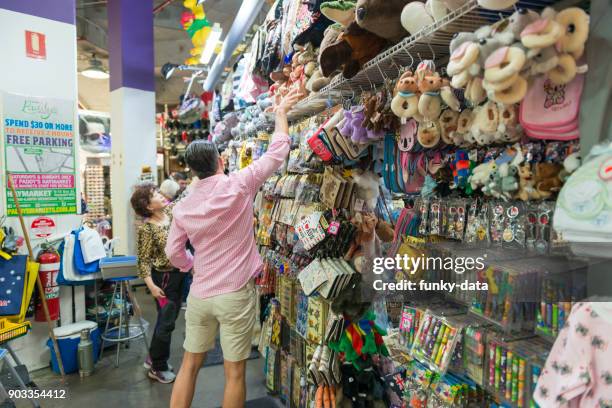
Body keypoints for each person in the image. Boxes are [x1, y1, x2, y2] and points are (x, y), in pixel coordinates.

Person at [165, 87, 303, 408]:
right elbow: (278, 152)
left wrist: (191, 265)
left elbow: (174, 253)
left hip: (200, 295)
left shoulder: (183, 206)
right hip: (235, 293)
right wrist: (280, 114)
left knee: (189, 364)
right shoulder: (239, 184)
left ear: (193, 169)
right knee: (234, 373)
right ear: (220, 160)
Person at [131, 183, 188, 384]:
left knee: (167, 320)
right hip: (163, 279)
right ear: (148, 206)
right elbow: (143, 261)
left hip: (180, 274)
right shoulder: (147, 229)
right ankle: (158, 367)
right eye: (154, 195)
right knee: (166, 322)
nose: (160, 195)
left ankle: (154, 356)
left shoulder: (170, 213)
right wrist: (152, 287)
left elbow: (186, 196)